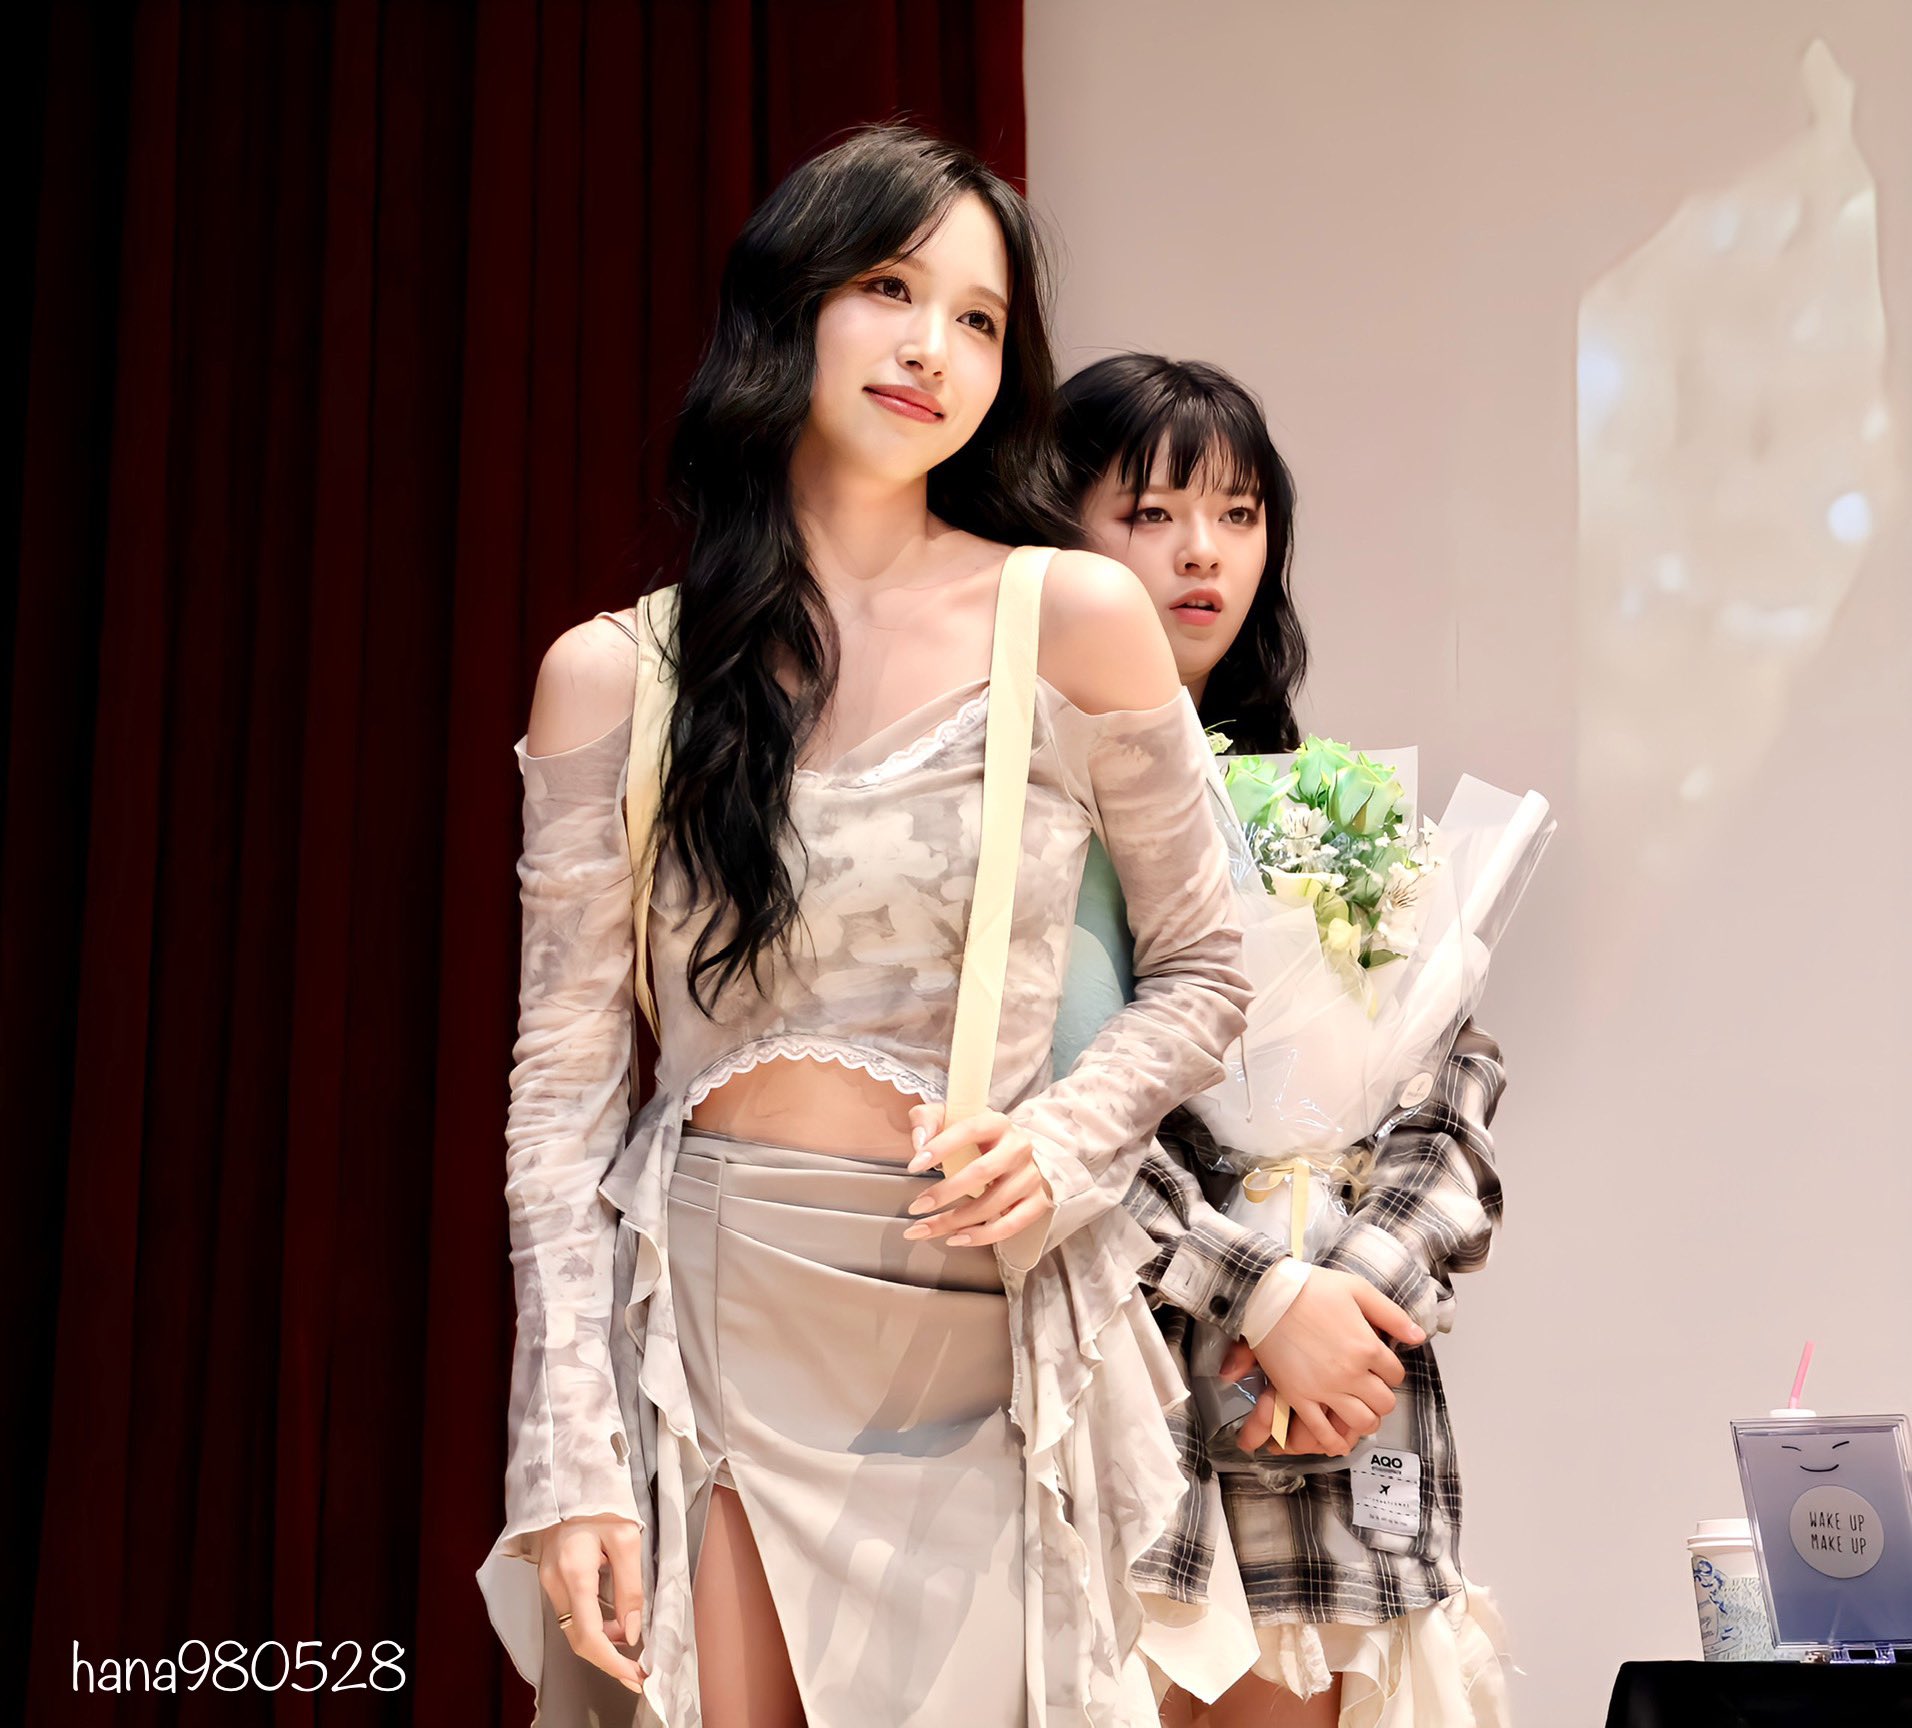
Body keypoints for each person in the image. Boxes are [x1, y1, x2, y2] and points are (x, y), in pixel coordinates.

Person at [477, 131, 1256, 1728]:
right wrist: (562, 1455)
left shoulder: (1073, 616)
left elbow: (1206, 967)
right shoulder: (616, 675)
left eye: (979, 320)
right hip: (718, 1318)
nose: (932, 349)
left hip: (982, 1316)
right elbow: (561, 1099)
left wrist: (1067, 1137)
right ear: (791, 306)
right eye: (891, 290)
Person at [1054, 355, 1514, 1728]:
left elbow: (1451, 1083)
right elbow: (1049, 1112)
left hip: (1336, 1419)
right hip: (1126, 1391)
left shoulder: (1320, 800)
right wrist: (1260, 1302)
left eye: (1240, 514)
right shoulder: (1029, 807)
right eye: (1151, 511)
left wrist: (1347, 1308)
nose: (1202, 550)